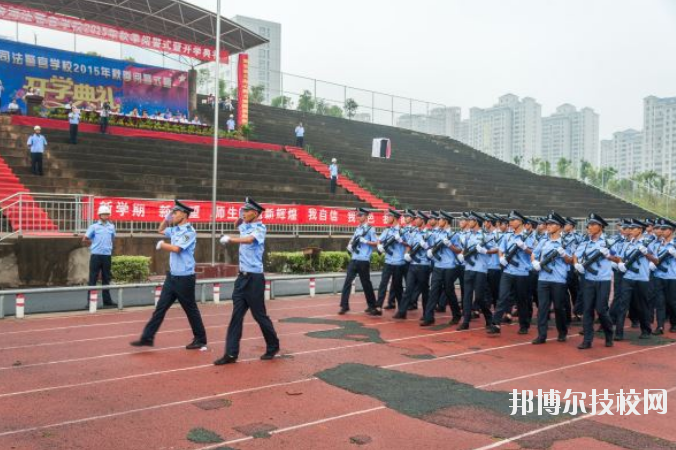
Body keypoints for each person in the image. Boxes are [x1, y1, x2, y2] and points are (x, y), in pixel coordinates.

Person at [130, 200, 207, 349]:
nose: (173, 215)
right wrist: (166, 219)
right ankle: (147, 337)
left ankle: (201, 339)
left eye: (175, 212)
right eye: (172, 212)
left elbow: (178, 249)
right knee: (160, 308)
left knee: (190, 310)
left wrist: (163, 245)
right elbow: (160, 230)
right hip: (172, 277)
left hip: (185, 277)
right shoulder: (175, 229)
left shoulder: (189, 232)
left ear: (184, 214)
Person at [215, 198, 280, 364]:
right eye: (243, 210)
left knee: (259, 315)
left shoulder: (260, 227)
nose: (243, 213)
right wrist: (241, 213)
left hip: (254, 278)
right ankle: (230, 354)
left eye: (247, 211)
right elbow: (237, 223)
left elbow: (249, 240)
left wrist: (230, 239)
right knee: (236, 316)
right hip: (241, 277)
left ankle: (273, 346)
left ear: (256, 213)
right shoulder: (245, 224)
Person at [608, 218, 655, 341]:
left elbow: (656, 260)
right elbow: (620, 257)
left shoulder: (648, 242)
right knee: (622, 305)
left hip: (642, 279)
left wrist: (646, 253)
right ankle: (619, 332)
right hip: (627, 278)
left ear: (640, 229)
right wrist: (616, 261)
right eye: (630, 228)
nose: (630, 230)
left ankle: (646, 330)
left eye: (633, 228)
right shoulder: (628, 243)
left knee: (641, 306)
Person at [488, 210, 534, 335]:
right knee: (502, 297)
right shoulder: (508, 236)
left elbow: (533, 253)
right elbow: (501, 249)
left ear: (520, 222)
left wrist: (525, 247)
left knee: (521, 300)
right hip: (508, 271)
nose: (511, 222)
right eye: (511, 220)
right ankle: (495, 324)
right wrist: (502, 257)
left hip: (522, 273)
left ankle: (524, 325)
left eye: (513, 220)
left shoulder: (529, 236)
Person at [574, 213, 615, 349]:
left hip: (603, 280)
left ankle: (609, 333)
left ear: (600, 226)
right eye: (588, 225)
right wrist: (577, 265)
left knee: (601, 310)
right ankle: (587, 339)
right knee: (587, 309)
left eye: (592, 225)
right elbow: (575, 256)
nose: (589, 227)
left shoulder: (609, 242)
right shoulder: (585, 243)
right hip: (588, 280)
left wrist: (609, 255)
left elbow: (619, 259)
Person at [531, 212, 573, 344]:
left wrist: (564, 254)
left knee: (559, 307)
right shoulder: (544, 240)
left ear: (559, 226)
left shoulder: (566, 242)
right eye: (547, 224)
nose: (548, 226)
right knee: (542, 308)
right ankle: (541, 335)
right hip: (543, 278)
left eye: (552, 224)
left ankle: (562, 331)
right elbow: (534, 254)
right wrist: (534, 262)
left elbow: (570, 260)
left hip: (558, 279)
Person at [421, 210, 462, 325]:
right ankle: (429, 317)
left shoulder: (454, 235)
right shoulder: (436, 233)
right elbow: (431, 245)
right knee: (433, 290)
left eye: (440, 219)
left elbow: (459, 250)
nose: (438, 221)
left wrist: (450, 245)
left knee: (449, 291)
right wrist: (427, 248)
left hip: (449, 266)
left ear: (445, 221)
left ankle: (456, 314)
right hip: (438, 265)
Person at [455, 212, 494, 330]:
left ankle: (488, 316)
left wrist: (484, 251)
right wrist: (461, 255)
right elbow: (464, 249)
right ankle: (466, 321)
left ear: (476, 221)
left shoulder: (485, 235)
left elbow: (494, 249)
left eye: (471, 220)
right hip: (468, 268)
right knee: (467, 295)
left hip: (480, 269)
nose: (468, 222)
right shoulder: (468, 235)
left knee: (479, 297)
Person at [339, 208, 378, 315]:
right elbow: (353, 239)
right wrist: (350, 245)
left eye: (360, 215)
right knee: (347, 282)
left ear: (366, 216)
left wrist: (365, 241)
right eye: (357, 215)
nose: (358, 217)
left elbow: (376, 243)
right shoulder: (358, 228)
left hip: (363, 260)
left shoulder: (370, 229)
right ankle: (344, 306)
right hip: (354, 258)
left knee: (366, 284)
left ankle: (372, 306)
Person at [394, 211, 434, 318]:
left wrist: (427, 247)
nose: (415, 220)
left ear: (423, 220)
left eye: (417, 218)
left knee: (425, 290)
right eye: (415, 218)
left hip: (424, 265)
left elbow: (433, 248)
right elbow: (409, 245)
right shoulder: (414, 232)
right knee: (408, 289)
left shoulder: (429, 234)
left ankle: (427, 314)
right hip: (413, 264)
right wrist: (406, 253)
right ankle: (402, 312)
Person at [82, 205, 116, 309]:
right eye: (104, 214)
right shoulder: (94, 227)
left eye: (107, 214)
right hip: (96, 255)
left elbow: (112, 238)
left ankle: (107, 301)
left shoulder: (111, 227)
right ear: (100, 215)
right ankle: (90, 302)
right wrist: (93, 243)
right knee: (93, 278)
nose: (106, 216)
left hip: (107, 255)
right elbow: (85, 239)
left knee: (106, 278)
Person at [374, 209, 406, 316]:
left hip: (398, 262)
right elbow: (379, 240)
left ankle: (402, 310)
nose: (387, 218)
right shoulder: (387, 230)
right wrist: (379, 246)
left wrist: (401, 240)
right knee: (383, 283)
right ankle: (378, 307)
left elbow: (409, 244)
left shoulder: (402, 231)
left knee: (397, 286)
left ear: (394, 218)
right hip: (388, 261)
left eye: (389, 217)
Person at [652, 218, 676, 334]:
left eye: (664, 229)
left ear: (671, 230)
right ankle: (660, 326)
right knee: (659, 302)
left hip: (672, 277)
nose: (661, 231)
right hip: (659, 276)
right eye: (661, 228)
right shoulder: (658, 245)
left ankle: (674, 323)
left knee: (672, 302)